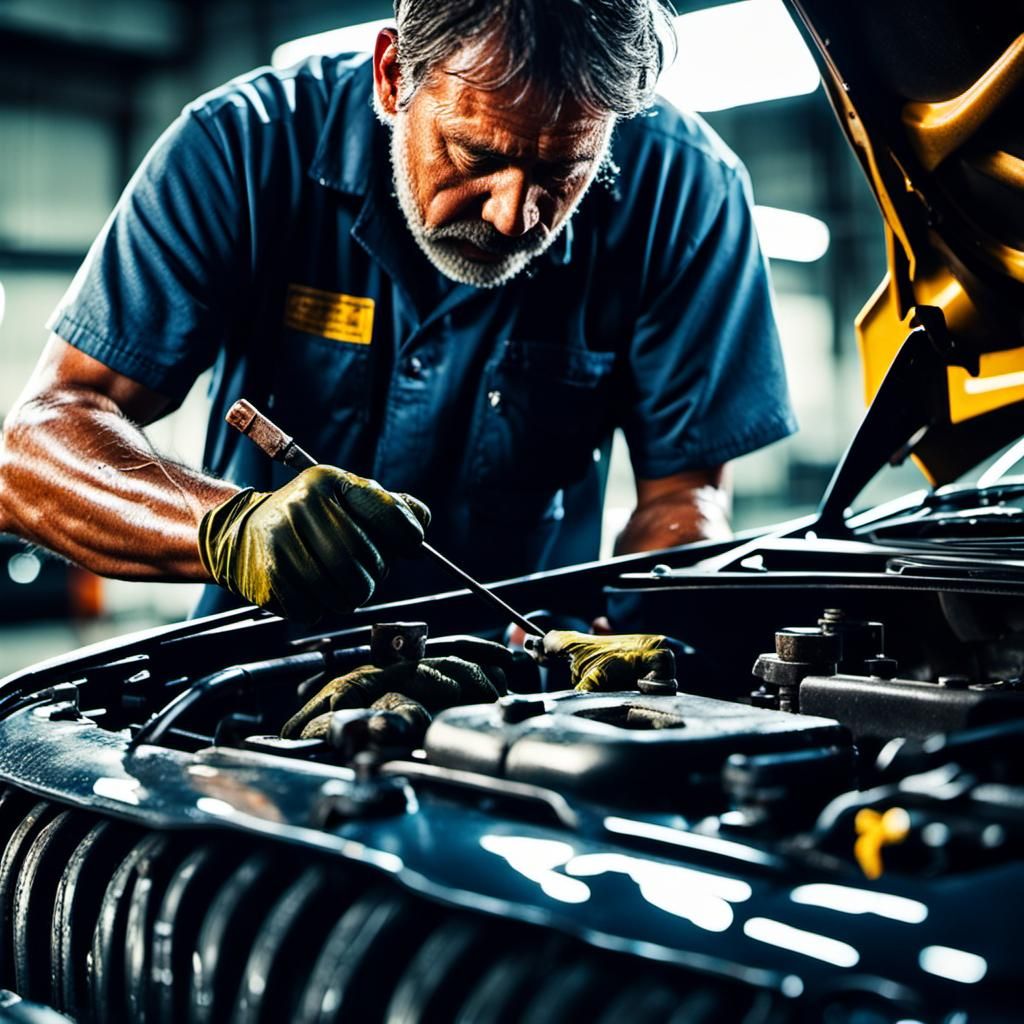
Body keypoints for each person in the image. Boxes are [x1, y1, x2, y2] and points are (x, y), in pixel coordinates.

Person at [0, 0, 795, 624]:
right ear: (392, 77)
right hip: (253, 683)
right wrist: (228, 529)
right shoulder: (242, 150)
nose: (515, 216)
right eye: (477, 157)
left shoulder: (687, 194)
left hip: (527, 695)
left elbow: (681, 502)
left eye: (565, 169)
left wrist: (638, 633)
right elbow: (32, 451)